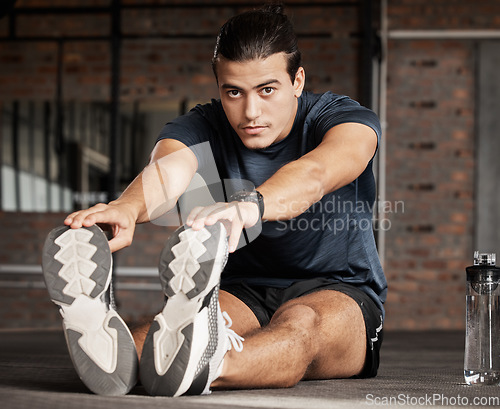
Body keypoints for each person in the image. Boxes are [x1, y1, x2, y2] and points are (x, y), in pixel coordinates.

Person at [41, 4, 387, 397]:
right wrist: (127, 207)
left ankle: (210, 363)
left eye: (267, 89)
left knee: (300, 327)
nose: (250, 111)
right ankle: (115, 347)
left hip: (341, 290)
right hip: (242, 290)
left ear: (298, 80)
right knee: (159, 337)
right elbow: (167, 170)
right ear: (219, 86)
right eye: (233, 92)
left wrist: (250, 205)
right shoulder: (204, 123)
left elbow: (316, 174)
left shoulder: (343, 118)